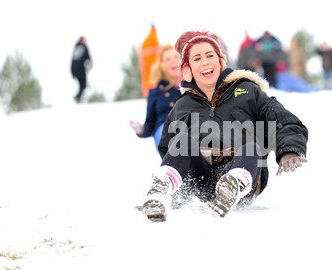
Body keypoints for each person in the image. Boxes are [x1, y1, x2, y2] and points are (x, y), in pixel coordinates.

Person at [139, 30, 308, 222]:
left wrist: (289, 149)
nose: (205, 62)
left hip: (243, 173)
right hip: (200, 181)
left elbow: (281, 118)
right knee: (182, 141)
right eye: (197, 58)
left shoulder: (247, 91)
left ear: (221, 61)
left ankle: (231, 188)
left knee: (252, 148)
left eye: (210, 55)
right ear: (187, 69)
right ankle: (158, 194)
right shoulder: (183, 105)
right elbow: (168, 148)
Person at [130, 44, 182, 151]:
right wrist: (141, 130)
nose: (173, 61)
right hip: (165, 131)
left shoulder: (191, 85)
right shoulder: (155, 91)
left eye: (176, 57)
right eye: (168, 59)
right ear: (162, 66)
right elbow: (150, 124)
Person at [71, 36, 92, 103]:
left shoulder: (76, 48)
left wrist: (72, 71)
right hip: (81, 69)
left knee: (82, 84)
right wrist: (90, 64)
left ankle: (79, 97)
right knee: (83, 84)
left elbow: (72, 61)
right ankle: (78, 97)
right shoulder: (84, 47)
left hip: (74, 70)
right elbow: (88, 57)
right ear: (82, 40)